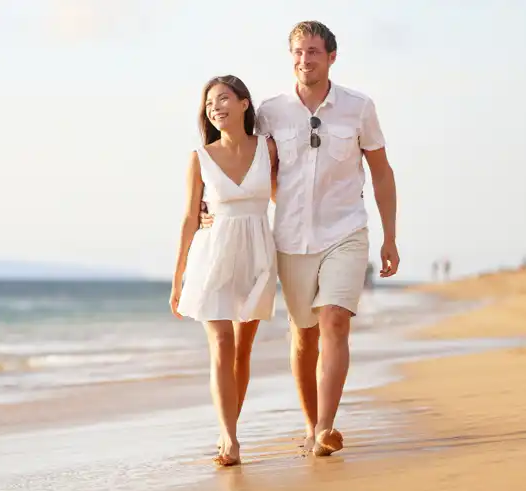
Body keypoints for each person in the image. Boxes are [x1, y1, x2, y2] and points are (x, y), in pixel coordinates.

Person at [199, 21, 400, 457]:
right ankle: (311, 426)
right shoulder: (271, 112)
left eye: (313, 51)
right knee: (304, 335)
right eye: (297, 52)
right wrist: (211, 207)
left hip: (346, 230)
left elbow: (382, 174)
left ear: (331, 57)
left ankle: (327, 427)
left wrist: (390, 236)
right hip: (289, 238)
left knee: (334, 320)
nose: (304, 60)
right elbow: (246, 164)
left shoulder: (358, 107)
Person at [169, 75, 279, 467]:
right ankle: (230, 439)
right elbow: (188, 218)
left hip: (257, 255)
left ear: (245, 104)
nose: (215, 108)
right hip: (211, 255)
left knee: (242, 350)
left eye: (224, 99)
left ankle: (228, 427)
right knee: (221, 343)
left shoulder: (268, 149)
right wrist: (178, 276)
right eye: (210, 103)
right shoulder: (200, 157)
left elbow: (287, 195)